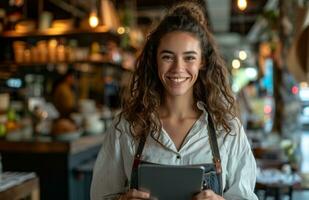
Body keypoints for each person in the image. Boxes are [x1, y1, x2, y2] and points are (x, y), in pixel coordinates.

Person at [91, 1, 258, 199]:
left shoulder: (228, 130)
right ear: (155, 59)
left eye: (189, 57)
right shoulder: (126, 127)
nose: (178, 68)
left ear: (202, 61)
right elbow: (100, 195)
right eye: (168, 57)